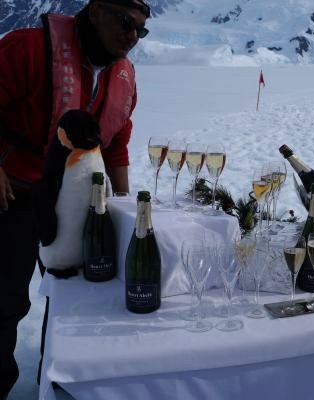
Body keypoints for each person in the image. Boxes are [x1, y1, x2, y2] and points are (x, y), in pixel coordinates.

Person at [0, 0, 150, 397]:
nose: (132, 36)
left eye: (141, 30)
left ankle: (57, 383)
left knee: (74, 298)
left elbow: (115, 144)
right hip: (12, 193)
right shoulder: (27, 49)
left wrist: (120, 205)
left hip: (77, 202)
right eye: (125, 22)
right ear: (97, 10)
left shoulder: (125, 76)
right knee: (3, 302)